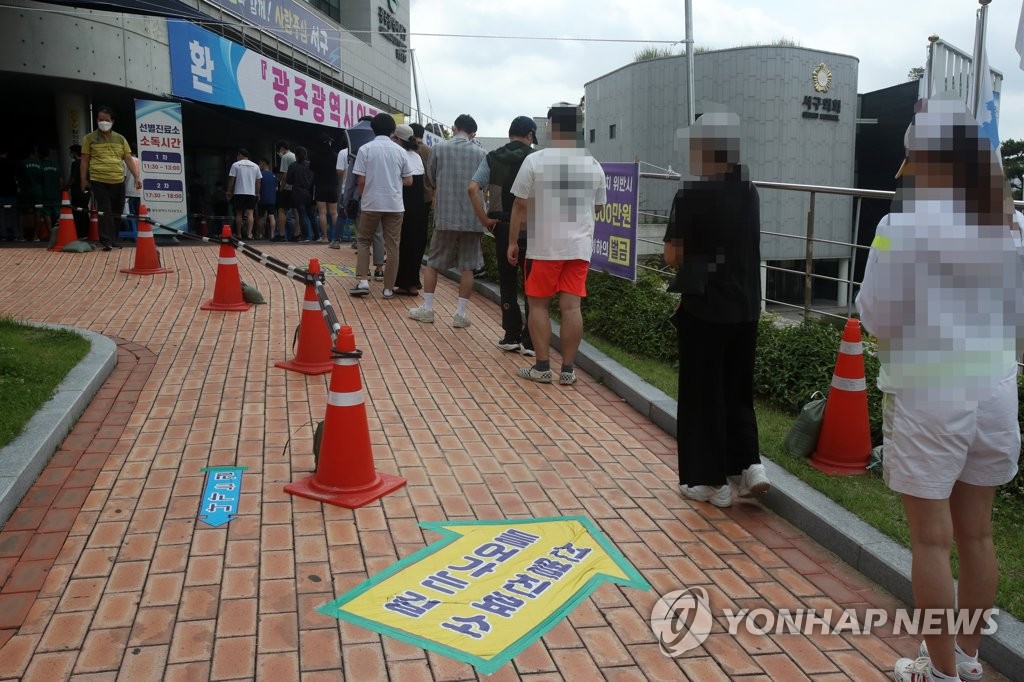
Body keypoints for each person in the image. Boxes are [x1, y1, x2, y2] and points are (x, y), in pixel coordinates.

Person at [856, 97, 1022, 682]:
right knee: (977, 534)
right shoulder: (1012, 223)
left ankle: (940, 672)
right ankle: (970, 660)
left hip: (928, 392)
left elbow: (875, 316)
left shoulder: (897, 228)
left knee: (931, 541)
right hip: (996, 391)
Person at [662, 111, 768, 509]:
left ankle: (711, 483)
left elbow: (672, 254)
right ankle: (750, 465)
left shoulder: (693, 192)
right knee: (737, 388)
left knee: (703, 394)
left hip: (706, 308)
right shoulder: (749, 189)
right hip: (746, 307)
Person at [508, 103, 604, 385]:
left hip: (543, 247)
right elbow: (598, 208)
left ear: (552, 127)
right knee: (571, 307)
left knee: (538, 305)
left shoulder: (536, 160)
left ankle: (541, 367)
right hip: (579, 248)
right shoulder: (593, 164)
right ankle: (568, 370)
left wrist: (512, 241)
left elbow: (519, 204)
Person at [408, 114, 487, 327]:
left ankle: (428, 309)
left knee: (433, 263)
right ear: (473, 133)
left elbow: (431, 178)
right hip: (472, 218)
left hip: (446, 214)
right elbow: (483, 184)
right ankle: (460, 315)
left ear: (454, 128)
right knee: (468, 266)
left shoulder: (439, 149)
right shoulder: (481, 153)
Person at [468, 115, 538, 353]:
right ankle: (530, 341)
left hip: (502, 226)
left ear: (510, 134)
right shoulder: (535, 158)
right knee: (532, 284)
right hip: (532, 228)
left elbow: (472, 188)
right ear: (529, 136)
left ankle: (511, 335)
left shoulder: (492, 157)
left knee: (507, 283)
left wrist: (485, 219)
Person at [349, 113, 413, 298]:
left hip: (371, 202)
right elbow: (409, 180)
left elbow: (360, 181)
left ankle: (362, 281)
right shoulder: (400, 151)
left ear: (373, 129)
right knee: (393, 245)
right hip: (394, 204)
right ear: (393, 131)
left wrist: (366, 195)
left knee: (363, 240)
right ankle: (387, 288)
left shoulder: (365, 149)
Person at [81, 106, 141, 251]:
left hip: (118, 180)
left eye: (106, 120)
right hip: (99, 179)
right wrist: (83, 180)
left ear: (112, 121)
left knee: (117, 211)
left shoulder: (120, 139)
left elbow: (128, 158)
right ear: (96, 120)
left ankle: (113, 239)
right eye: (100, 119)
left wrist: (137, 177)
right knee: (105, 211)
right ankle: (106, 241)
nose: (103, 122)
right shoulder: (89, 138)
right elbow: (84, 160)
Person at [392, 124, 426, 295]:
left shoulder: (400, 155)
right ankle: (413, 281)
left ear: (398, 139)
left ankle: (405, 282)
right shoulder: (417, 156)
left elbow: (405, 182)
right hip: (419, 207)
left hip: (404, 205)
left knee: (403, 243)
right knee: (416, 243)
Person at [226, 148, 261, 239]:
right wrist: (257, 193)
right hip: (251, 193)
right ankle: (249, 234)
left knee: (239, 213)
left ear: (240, 155)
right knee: (250, 213)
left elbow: (231, 179)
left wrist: (229, 191)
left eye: (238, 155)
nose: (237, 157)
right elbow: (258, 181)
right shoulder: (255, 166)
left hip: (239, 192)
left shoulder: (235, 165)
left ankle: (239, 234)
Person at [311, 132, 338, 244]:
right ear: (329, 142)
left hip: (320, 185)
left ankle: (325, 237)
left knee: (322, 212)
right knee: (334, 212)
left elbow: (311, 168)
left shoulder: (316, 155)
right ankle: (336, 237)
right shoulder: (335, 155)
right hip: (332, 185)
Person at [287, 146, 316, 242]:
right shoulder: (311, 165)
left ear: (295, 155)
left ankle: (306, 236)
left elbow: (289, 181)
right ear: (306, 154)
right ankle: (316, 235)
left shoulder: (292, 166)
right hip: (310, 192)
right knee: (312, 215)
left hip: (298, 193)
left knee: (302, 215)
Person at [19, 147, 44, 242]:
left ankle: (21, 236)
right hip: (37, 191)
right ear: (33, 154)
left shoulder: (22, 163)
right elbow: (42, 178)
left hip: (25, 191)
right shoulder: (39, 164)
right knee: (38, 212)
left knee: (22, 213)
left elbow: (18, 177)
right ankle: (35, 236)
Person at [66, 145, 90, 239]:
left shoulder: (76, 163)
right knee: (84, 211)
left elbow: (73, 178)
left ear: (75, 152)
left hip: (77, 191)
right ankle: (87, 232)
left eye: (71, 152)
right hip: (86, 191)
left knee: (77, 212)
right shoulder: (87, 163)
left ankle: (81, 233)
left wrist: (66, 187)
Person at [274, 140, 296, 241]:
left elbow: (284, 174)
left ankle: (281, 234)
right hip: (296, 188)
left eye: (279, 150)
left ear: (282, 148)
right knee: (296, 211)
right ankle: (297, 234)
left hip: (287, 188)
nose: (279, 152)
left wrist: (281, 187)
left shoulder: (285, 157)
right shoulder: (294, 156)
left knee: (281, 210)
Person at [0, 148, 18, 241]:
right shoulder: (12, 164)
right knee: (13, 214)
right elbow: (16, 177)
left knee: (1, 215)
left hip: (1, 192)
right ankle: (15, 234)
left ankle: (3, 235)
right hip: (12, 191)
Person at [256, 159, 277, 240]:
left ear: (263, 163)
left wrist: (257, 194)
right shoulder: (273, 175)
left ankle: (260, 234)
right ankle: (272, 235)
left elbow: (258, 185)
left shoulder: (260, 174)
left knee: (260, 217)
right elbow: (276, 188)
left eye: (260, 163)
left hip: (262, 198)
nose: (259, 165)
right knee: (271, 216)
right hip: (271, 199)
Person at [122, 153, 141, 235]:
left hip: (128, 192)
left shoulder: (125, 161)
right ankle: (140, 233)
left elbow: (123, 177)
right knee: (139, 214)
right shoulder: (141, 161)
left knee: (129, 214)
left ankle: (132, 234)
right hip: (139, 192)